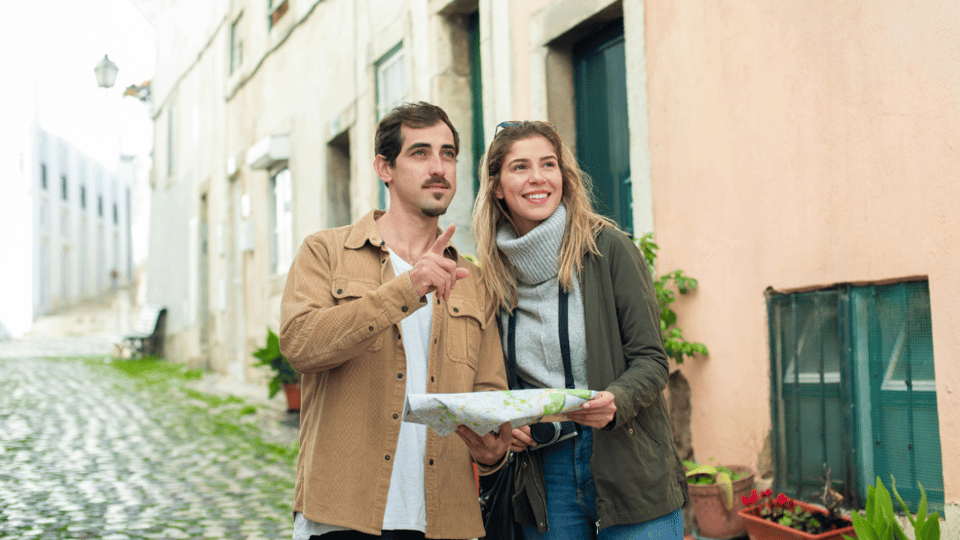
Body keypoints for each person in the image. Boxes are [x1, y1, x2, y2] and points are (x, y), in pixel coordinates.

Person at [279, 101, 512, 540]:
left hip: (446, 520)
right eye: (420, 153)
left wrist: (493, 450)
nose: (438, 167)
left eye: (448, 154)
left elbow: (489, 394)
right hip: (343, 514)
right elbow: (300, 345)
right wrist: (407, 288)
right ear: (384, 167)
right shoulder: (325, 253)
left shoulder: (474, 280)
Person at [472, 120, 689, 539]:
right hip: (543, 474)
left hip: (625, 459)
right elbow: (489, 376)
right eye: (520, 167)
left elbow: (652, 360)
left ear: (563, 177)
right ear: (497, 186)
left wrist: (617, 399)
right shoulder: (491, 276)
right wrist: (504, 419)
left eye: (548, 164)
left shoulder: (608, 249)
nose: (538, 177)